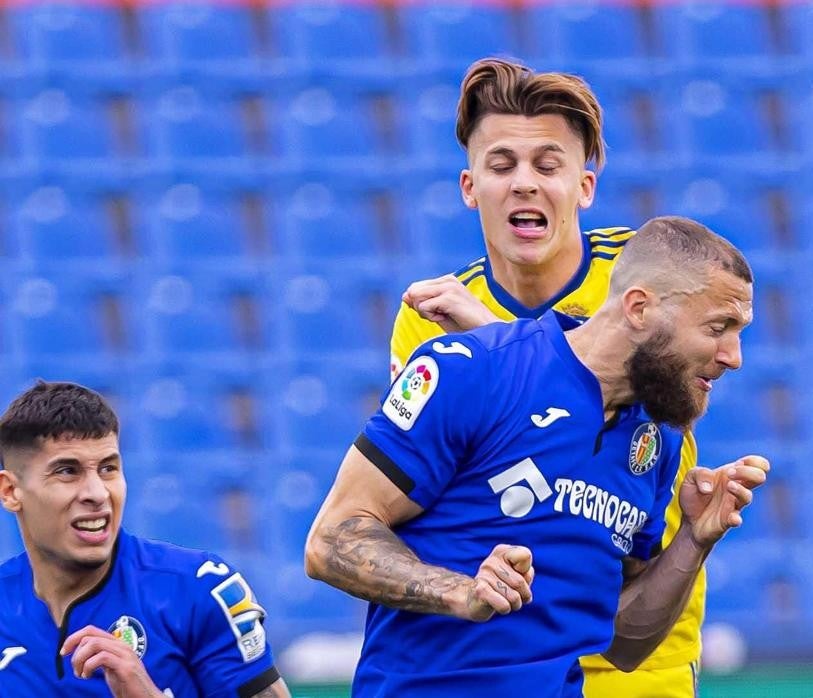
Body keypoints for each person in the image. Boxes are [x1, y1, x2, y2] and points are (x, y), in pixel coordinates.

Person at [305, 216, 768, 696]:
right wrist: (460, 591)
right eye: (720, 327)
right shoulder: (470, 371)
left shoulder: (657, 443)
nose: (734, 356)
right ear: (638, 308)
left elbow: (625, 646)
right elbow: (330, 539)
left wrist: (693, 539)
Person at [389, 56, 712, 698]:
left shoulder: (642, 277)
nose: (525, 184)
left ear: (585, 186)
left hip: (635, 642)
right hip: (509, 649)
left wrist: (486, 336)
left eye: (548, 165)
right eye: (502, 164)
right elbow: (457, 482)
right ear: (469, 186)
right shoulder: (425, 319)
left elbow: (638, 414)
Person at [0, 381, 290, 698]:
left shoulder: (197, 589)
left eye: (108, 468)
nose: (97, 493)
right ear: (11, 492)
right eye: (68, 471)